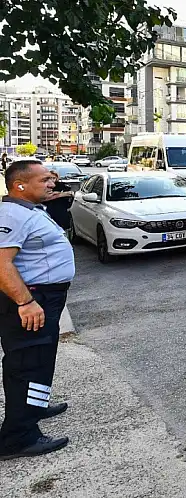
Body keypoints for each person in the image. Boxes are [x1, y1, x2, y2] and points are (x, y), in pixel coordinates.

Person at [0, 159, 74, 460]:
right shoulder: (13, 215)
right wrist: (26, 302)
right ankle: (18, 437)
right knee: (27, 363)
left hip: (45, 297)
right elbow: (2, 263)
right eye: (44, 180)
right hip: (31, 300)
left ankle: (35, 406)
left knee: (41, 360)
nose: (51, 184)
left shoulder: (28, 209)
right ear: (20, 185)